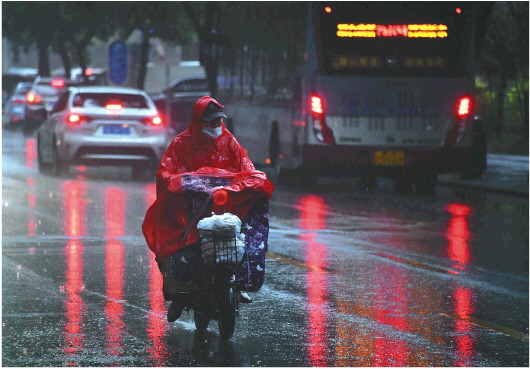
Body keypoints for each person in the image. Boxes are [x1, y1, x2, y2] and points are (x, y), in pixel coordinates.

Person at [142, 96, 273, 322]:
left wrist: (253, 181)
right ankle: (179, 295)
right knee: (179, 246)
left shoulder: (228, 141)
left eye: (218, 122)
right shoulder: (182, 143)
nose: (215, 127)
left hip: (223, 204)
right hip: (190, 206)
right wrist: (179, 182)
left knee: (243, 236)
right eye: (210, 122)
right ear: (198, 121)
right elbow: (165, 171)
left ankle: (239, 283)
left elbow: (246, 167)